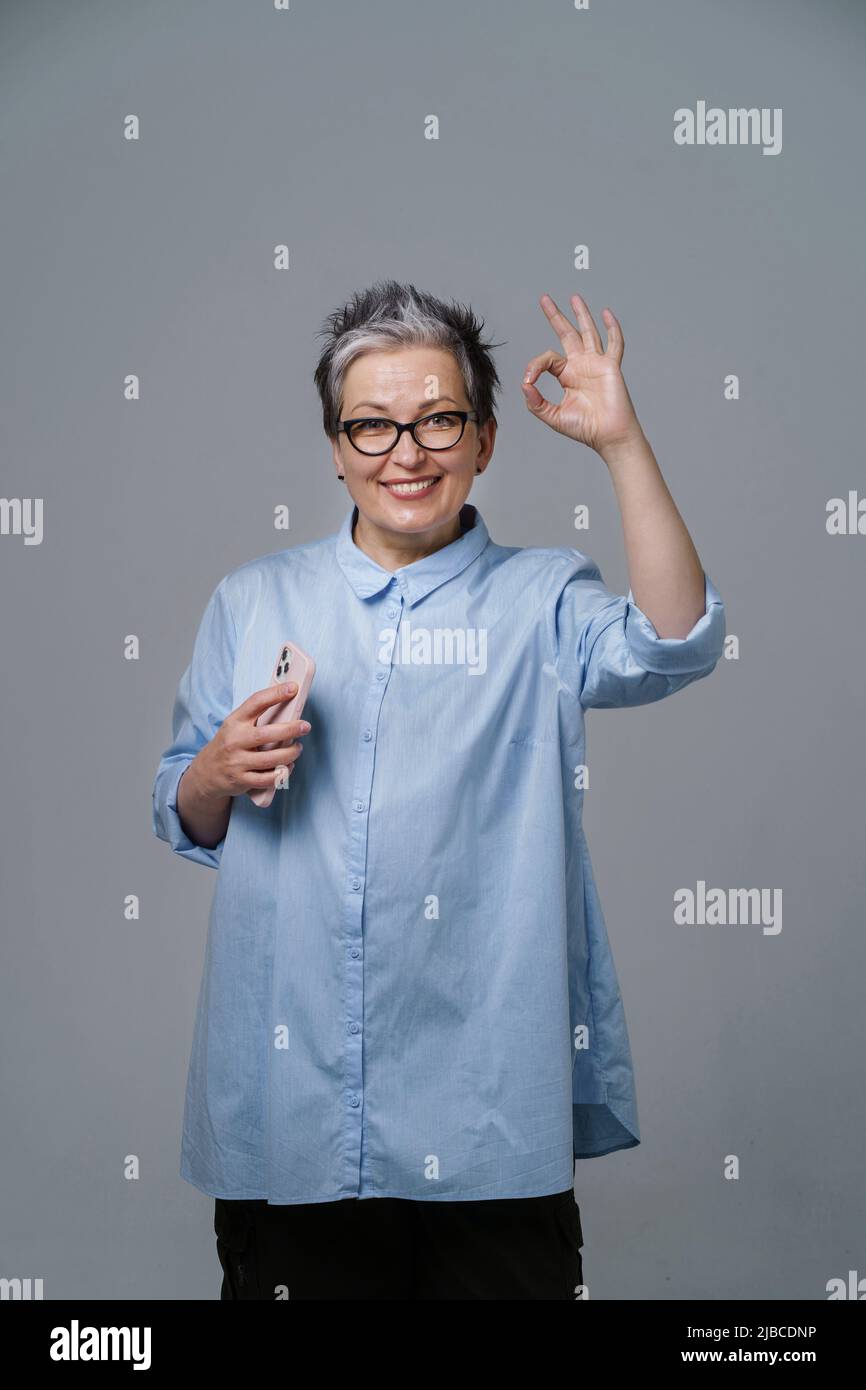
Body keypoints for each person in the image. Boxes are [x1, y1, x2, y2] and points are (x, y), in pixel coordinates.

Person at [151, 279, 725, 1300]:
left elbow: (674, 644)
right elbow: (185, 811)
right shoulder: (252, 600)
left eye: (437, 420)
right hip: (296, 1119)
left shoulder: (542, 597)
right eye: (370, 426)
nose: (403, 453)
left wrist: (620, 444)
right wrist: (208, 774)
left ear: (484, 440)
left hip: (483, 1121)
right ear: (334, 447)